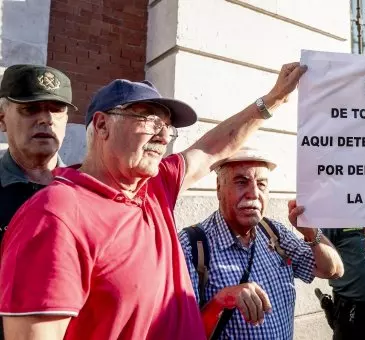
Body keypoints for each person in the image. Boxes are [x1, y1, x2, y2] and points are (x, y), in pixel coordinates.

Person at [0, 62, 306, 340]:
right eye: (148, 120)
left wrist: (275, 99)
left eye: (167, 126)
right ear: (103, 125)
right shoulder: (56, 214)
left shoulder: (156, 186)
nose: (163, 136)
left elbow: (215, 146)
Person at [178, 146, 344, 339]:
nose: (254, 193)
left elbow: (333, 270)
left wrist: (310, 232)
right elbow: (181, 332)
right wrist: (221, 301)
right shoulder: (192, 246)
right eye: (241, 182)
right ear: (219, 187)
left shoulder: (274, 233)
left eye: (262, 184)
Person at [0, 64, 75, 234]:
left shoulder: (86, 192)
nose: (46, 119)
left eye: (56, 110)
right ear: (2, 119)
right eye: (30, 109)